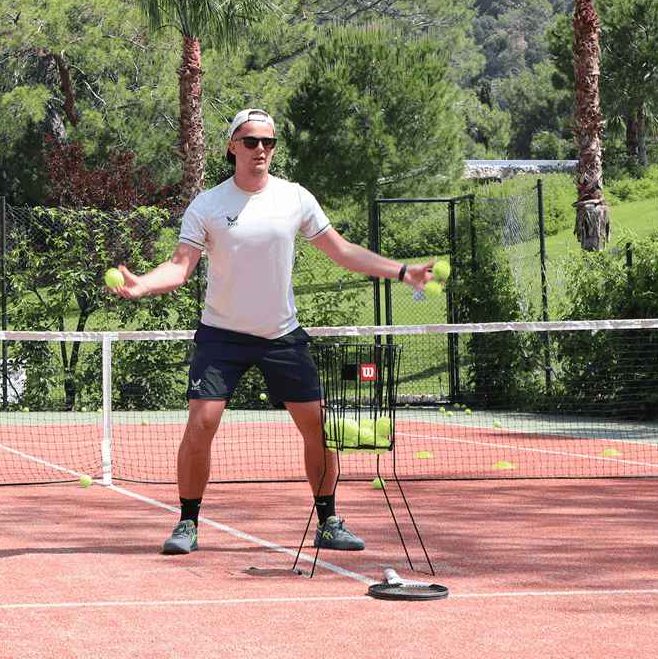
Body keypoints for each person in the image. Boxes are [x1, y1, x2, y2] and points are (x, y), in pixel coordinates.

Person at [107, 107, 436, 555]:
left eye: (268, 142)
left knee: (319, 428)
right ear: (232, 146)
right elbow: (181, 266)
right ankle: (187, 523)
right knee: (201, 424)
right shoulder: (207, 205)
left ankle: (328, 520)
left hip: (281, 333)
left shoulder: (295, 198)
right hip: (221, 335)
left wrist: (402, 272)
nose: (260, 149)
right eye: (250, 141)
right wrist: (143, 284)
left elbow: (341, 251)